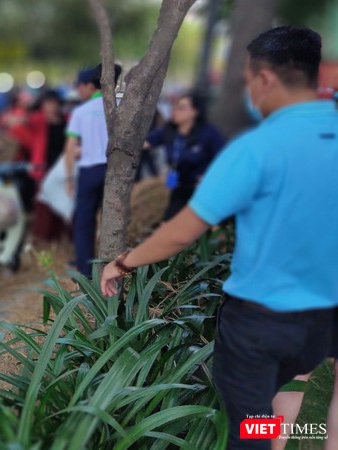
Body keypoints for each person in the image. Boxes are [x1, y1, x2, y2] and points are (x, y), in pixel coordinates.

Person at [100, 26, 338, 450]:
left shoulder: (259, 148)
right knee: (287, 395)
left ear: (265, 80)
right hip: (320, 319)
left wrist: (123, 262)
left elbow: (181, 233)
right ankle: (295, 438)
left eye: (249, 80)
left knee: (249, 432)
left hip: (260, 323)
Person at [65, 63, 122, 277]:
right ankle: (111, 266)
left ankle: (85, 270)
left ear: (91, 85)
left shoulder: (81, 111)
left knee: (84, 221)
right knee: (112, 220)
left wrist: (69, 178)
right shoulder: (121, 106)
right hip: (115, 171)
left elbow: (70, 147)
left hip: (89, 171)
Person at [144, 92, 225, 220]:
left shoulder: (208, 133)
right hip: (179, 186)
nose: (175, 111)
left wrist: (209, 177)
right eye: (175, 107)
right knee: (169, 222)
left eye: (181, 108)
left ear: (195, 112)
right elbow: (146, 142)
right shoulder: (169, 130)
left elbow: (223, 158)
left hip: (202, 188)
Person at [30, 89, 68, 243]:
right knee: (44, 207)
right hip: (44, 169)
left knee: (63, 204)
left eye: (54, 103)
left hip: (65, 169)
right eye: (48, 103)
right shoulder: (37, 121)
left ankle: (61, 240)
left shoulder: (68, 119)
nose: (51, 107)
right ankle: (43, 241)